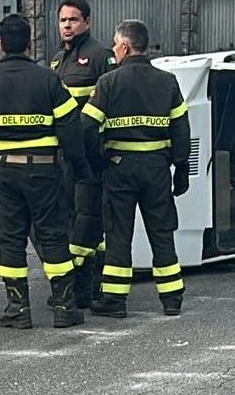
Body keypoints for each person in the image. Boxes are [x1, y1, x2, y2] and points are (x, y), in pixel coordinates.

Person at [0, 14, 89, 329]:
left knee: (10, 237)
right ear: (29, 43)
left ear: (2, 46)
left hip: (5, 172)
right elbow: (70, 127)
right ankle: (64, 305)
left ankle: (18, 308)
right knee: (53, 234)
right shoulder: (49, 80)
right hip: (45, 171)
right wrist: (79, 165)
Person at [81, 19, 191, 318]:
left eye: (115, 44)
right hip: (156, 169)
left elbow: (88, 127)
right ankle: (171, 298)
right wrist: (181, 170)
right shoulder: (167, 82)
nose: (113, 50)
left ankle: (114, 301)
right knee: (162, 232)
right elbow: (182, 129)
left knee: (118, 233)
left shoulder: (108, 82)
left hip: (119, 169)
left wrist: (97, 161)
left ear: (125, 47)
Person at [49, 0, 116, 308]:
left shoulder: (101, 56)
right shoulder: (57, 61)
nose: (66, 25)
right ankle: (84, 285)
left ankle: (90, 285)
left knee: (89, 221)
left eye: (73, 20)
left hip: (91, 154)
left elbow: (111, 104)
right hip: (65, 155)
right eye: (63, 20)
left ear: (87, 22)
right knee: (73, 218)